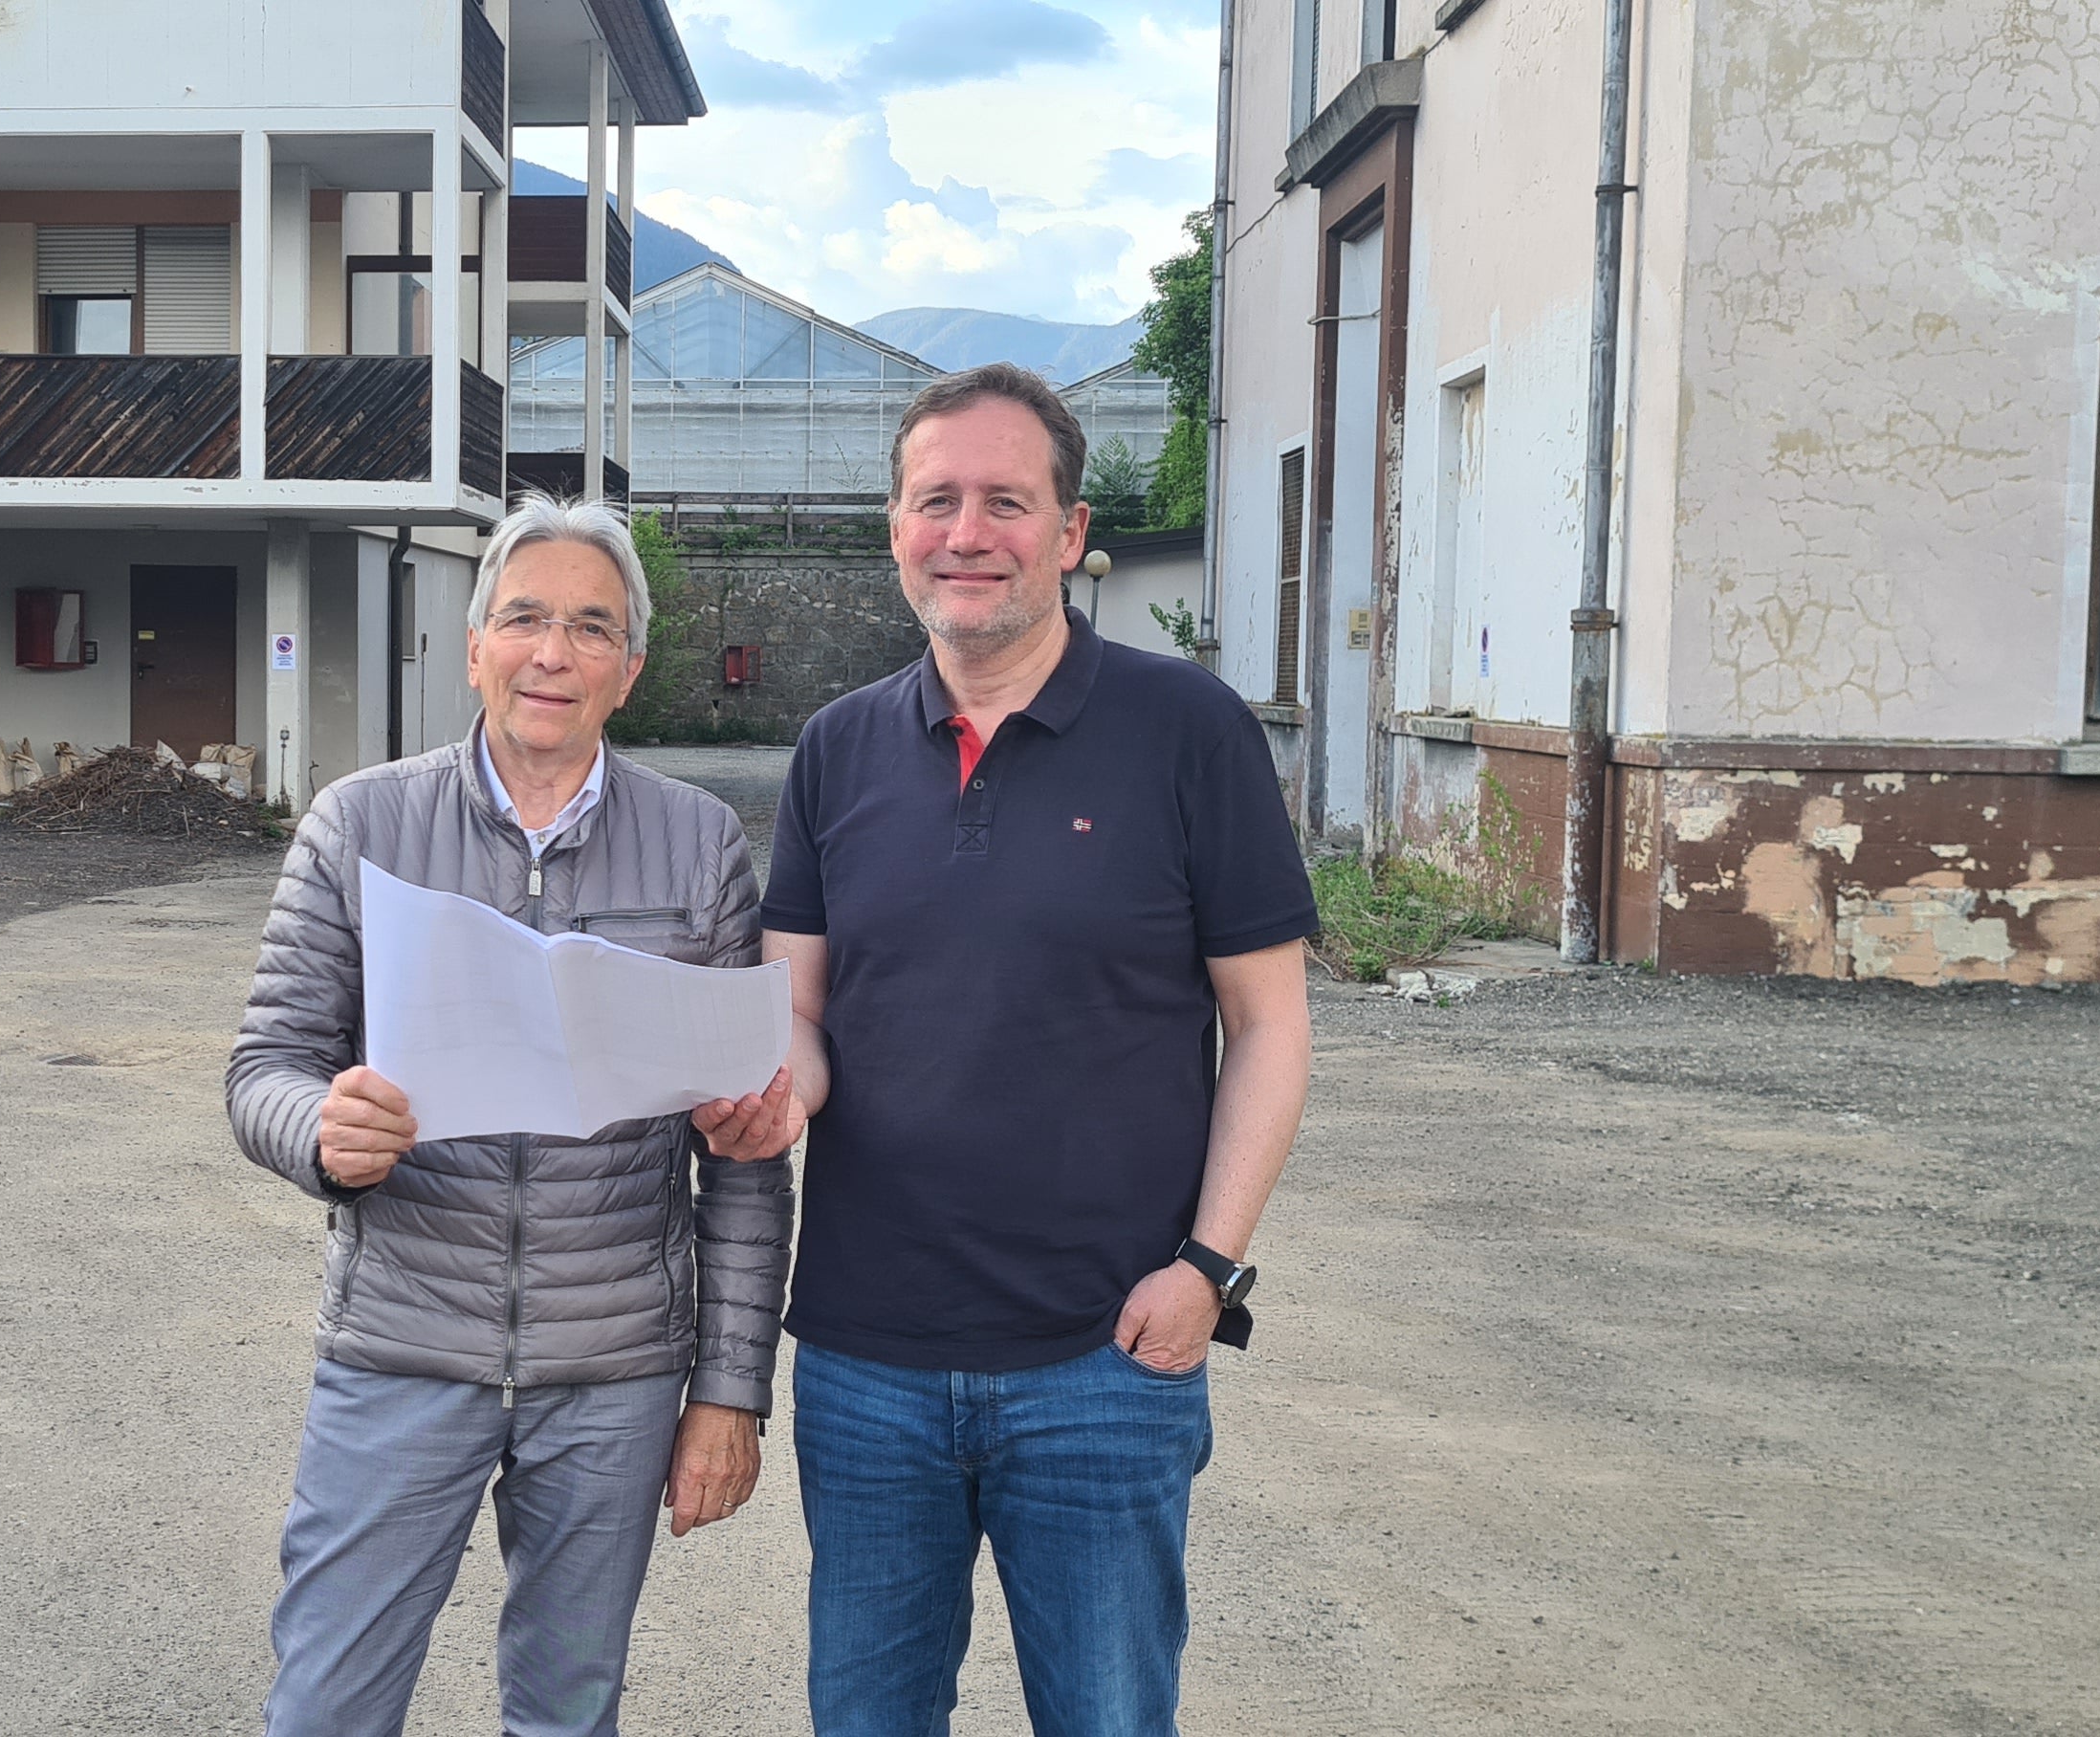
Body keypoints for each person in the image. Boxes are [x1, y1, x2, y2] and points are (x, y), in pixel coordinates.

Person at [758, 363, 1319, 1734]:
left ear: (1069, 535)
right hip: (865, 1362)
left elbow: (1269, 1026)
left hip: (1107, 1357)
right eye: (936, 499)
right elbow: (800, 1016)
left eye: (1007, 501)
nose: (969, 532)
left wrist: (1206, 1268)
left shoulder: (1189, 731)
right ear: (894, 527)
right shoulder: (836, 751)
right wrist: (772, 1094)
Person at [227, 492, 804, 1737]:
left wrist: (732, 1386)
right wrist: (321, 1133)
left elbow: (748, 1156)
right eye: (527, 618)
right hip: (400, 1351)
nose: (555, 652)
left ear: (631, 669)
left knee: (566, 1710)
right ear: (478, 639)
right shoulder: (362, 826)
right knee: (324, 1704)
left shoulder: (700, 847)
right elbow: (264, 1064)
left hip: (614, 1377)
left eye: (592, 628)